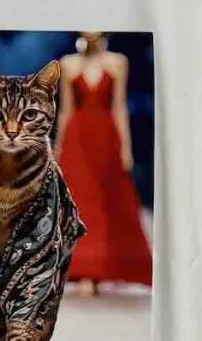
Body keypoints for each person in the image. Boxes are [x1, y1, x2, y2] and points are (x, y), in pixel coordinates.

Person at [54, 32, 153, 293]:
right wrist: (58, 149)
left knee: (107, 203)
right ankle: (84, 271)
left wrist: (126, 147)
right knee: (81, 203)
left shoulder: (117, 62)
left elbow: (119, 107)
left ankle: (101, 268)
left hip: (106, 139)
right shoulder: (68, 64)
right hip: (77, 141)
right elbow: (66, 111)